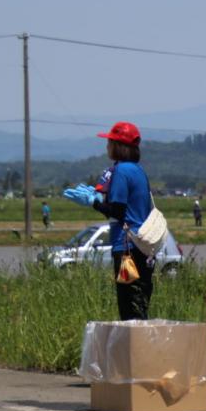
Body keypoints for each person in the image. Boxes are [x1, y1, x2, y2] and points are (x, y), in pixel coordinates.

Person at [63, 121, 155, 320]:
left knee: (128, 305)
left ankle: (133, 349)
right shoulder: (139, 171)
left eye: (110, 142)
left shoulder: (120, 171)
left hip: (126, 249)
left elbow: (117, 211)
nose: (107, 147)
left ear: (119, 146)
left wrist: (93, 203)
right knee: (140, 304)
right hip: (144, 246)